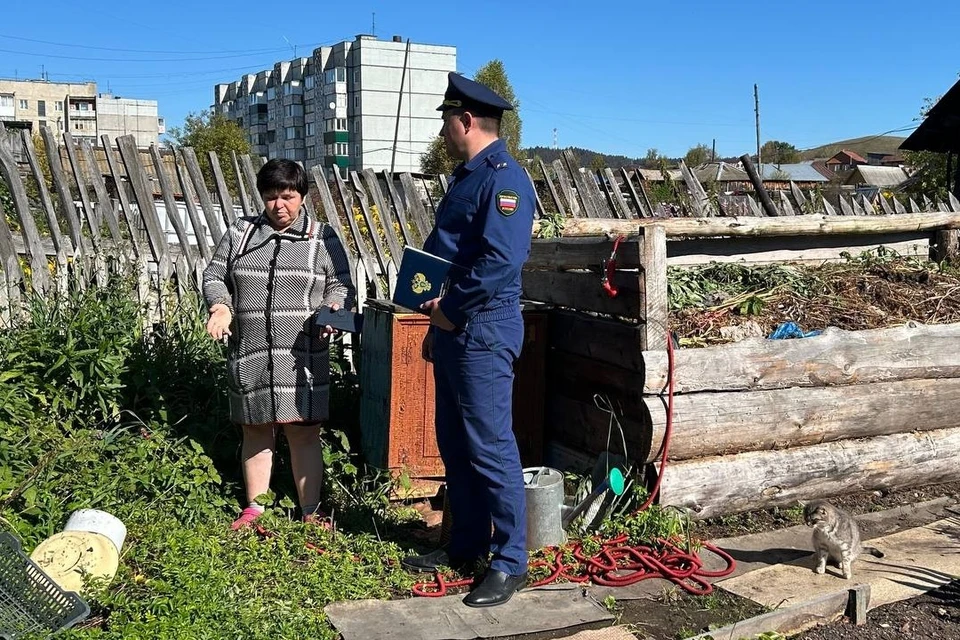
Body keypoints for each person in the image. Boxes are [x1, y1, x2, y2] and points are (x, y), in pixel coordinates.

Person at [400, 72, 535, 608]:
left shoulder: (504, 179)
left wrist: (450, 312)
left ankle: (509, 561)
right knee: (455, 440)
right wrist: (434, 316)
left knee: (490, 444)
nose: (442, 131)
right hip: (455, 326)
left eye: (445, 122)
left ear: (466, 121)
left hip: (481, 324)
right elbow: (448, 251)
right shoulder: (467, 176)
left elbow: (502, 262)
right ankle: (465, 545)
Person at [202, 158, 355, 531]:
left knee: (302, 431)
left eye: (287, 196)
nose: (279, 205)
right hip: (251, 354)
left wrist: (334, 310)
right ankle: (255, 509)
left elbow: (341, 286)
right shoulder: (240, 234)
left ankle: (311, 511)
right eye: (270, 197)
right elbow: (214, 274)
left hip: (301, 356)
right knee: (255, 429)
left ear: (302, 196)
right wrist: (220, 307)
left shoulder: (322, 237)